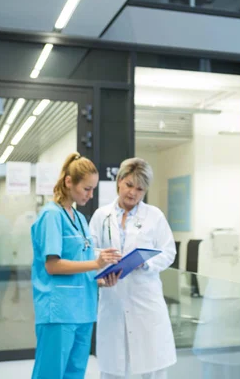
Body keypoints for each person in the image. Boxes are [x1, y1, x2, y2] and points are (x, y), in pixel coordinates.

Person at [30, 153, 121, 379]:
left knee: (75, 373)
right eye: (86, 189)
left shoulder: (79, 219)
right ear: (69, 182)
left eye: (93, 190)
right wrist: (97, 263)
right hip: (59, 310)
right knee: (50, 373)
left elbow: (80, 265)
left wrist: (100, 279)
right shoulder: (51, 215)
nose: (91, 195)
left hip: (83, 309)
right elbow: (53, 265)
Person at [90, 157, 177, 379]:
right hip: (113, 299)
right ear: (119, 181)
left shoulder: (154, 216)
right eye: (129, 185)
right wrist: (101, 269)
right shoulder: (101, 216)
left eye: (140, 189)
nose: (133, 193)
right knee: (114, 368)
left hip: (145, 300)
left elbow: (169, 252)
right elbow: (89, 251)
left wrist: (146, 263)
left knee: (152, 367)